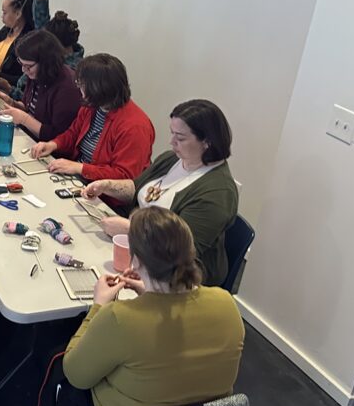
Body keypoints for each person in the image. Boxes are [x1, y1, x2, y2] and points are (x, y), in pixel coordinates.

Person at [55, 206, 245, 406]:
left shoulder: (120, 318)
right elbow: (176, 328)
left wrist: (97, 307)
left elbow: (75, 375)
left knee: (55, 361)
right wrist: (151, 291)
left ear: (136, 261)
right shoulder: (226, 304)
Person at [82, 99, 238, 286]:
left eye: (180, 138)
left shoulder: (217, 193)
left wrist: (131, 229)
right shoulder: (173, 158)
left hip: (178, 278)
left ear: (207, 142)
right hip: (141, 252)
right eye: (172, 134)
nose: (172, 142)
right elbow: (137, 188)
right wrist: (106, 186)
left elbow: (184, 251)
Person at [30, 54, 154, 191]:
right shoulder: (92, 106)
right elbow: (72, 134)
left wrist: (80, 168)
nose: (79, 88)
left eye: (81, 84)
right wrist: (53, 144)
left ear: (98, 89)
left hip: (105, 195)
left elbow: (125, 178)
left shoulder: (135, 127)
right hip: (80, 180)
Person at [0, 30, 82, 141]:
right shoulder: (37, 74)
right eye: (21, 63)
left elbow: (59, 137)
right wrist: (12, 103)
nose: (24, 70)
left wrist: (24, 119)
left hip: (49, 150)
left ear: (46, 63)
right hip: (29, 138)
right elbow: (29, 108)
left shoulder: (67, 88)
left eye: (28, 66)